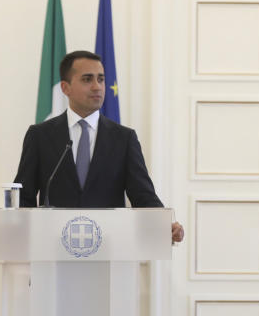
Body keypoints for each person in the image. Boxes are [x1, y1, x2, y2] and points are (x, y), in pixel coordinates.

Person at [13, 50, 184, 243]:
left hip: (109, 249)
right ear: (65, 87)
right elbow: (23, 196)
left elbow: (143, 195)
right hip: (51, 247)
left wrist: (164, 226)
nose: (97, 87)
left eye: (101, 79)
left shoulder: (124, 138)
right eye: (87, 79)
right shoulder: (40, 136)